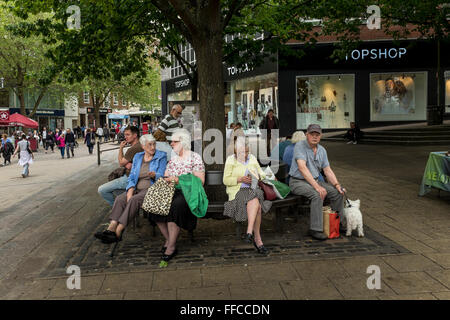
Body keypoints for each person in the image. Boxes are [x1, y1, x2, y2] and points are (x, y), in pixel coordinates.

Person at [95, 134, 167, 244]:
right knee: (120, 199)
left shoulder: (161, 156)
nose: (153, 147)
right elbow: (132, 176)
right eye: (150, 145)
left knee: (134, 200)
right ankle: (111, 229)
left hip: (152, 189)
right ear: (143, 146)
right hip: (137, 188)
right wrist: (130, 190)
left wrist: (155, 175)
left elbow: (162, 175)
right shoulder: (138, 157)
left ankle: (118, 232)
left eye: (154, 144)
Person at [148, 128, 205, 262]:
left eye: (174, 141)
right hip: (172, 189)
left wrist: (179, 179)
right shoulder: (173, 159)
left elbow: (200, 181)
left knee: (175, 206)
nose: (171, 144)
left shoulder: (194, 157)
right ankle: (169, 239)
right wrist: (168, 180)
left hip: (188, 192)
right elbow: (167, 176)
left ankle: (171, 246)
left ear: (183, 142)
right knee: (153, 203)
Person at [288, 124, 345, 240]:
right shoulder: (300, 145)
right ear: (306, 135)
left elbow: (327, 170)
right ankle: (315, 229)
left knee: (337, 193)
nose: (314, 137)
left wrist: (337, 184)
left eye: (317, 134)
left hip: (313, 181)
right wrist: (317, 187)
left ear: (321, 136)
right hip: (297, 182)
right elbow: (302, 167)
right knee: (317, 194)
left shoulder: (322, 150)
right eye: (312, 134)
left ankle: (339, 223)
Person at [223, 137, 271, 254]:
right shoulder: (231, 160)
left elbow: (261, 173)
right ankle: (257, 238)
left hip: (252, 189)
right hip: (236, 191)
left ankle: (250, 233)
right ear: (235, 151)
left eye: (245, 151)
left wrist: (258, 176)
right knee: (257, 206)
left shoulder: (252, 158)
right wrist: (240, 179)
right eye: (240, 152)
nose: (243, 154)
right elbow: (225, 180)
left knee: (254, 198)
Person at [98, 126, 144, 206]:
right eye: (125, 134)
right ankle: (124, 205)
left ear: (135, 135)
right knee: (116, 191)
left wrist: (120, 148)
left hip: (129, 178)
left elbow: (121, 163)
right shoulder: (141, 145)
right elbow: (124, 163)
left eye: (127, 135)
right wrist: (127, 163)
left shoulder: (133, 149)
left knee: (102, 190)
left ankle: (117, 207)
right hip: (137, 178)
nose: (125, 137)